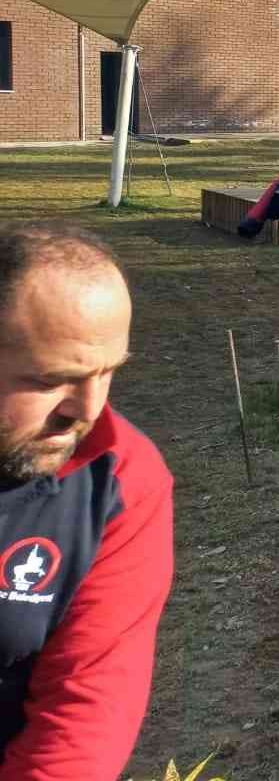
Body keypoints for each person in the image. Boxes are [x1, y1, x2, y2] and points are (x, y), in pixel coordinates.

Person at [0, 224, 174, 777]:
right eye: (53, 379)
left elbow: (81, 722)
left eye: (109, 373)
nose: (89, 409)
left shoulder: (120, 479)